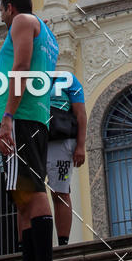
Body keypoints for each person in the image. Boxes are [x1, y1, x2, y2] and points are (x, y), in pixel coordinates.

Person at [0, 0, 60, 261]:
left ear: (9, 7)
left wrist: (7, 115)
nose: (2, 16)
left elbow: (20, 68)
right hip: (33, 118)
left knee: (31, 194)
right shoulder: (48, 33)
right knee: (22, 199)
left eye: (1, 10)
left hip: (22, 118)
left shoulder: (22, 22)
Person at [46, 73, 87, 245]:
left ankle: (63, 243)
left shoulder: (66, 78)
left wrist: (80, 145)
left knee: (60, 192)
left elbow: (81, 114)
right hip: (35, 141)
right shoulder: (29, 77)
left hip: (62, 143)